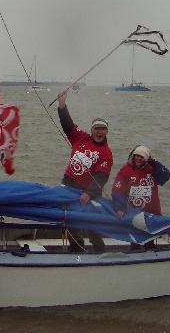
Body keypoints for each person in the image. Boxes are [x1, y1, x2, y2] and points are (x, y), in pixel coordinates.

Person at [56, 89, 113, 252]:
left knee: (91, 224)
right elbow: (68, 125)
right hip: (68, 184)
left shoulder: (107, 153)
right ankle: (77, 250)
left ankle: (100, 251)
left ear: (106, 132)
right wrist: (62, 105)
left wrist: (88, 193)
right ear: (92, 130)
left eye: (103, 129)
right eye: (97, 128)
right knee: (70, 221)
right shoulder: (81, 137)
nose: (100, 131)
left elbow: (101, 177)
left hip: (89, 192)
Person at [112, 145, 170, 249]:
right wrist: (120, 208)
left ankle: (152, 259)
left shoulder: (153, 169)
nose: (138, 158)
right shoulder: (125, 170)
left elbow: (165, 177)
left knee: (150, 242)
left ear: (146, 158)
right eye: (136, 156)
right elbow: (117, 190)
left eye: (142, 157)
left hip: (152, 213)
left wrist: (154, 163)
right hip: (134, 213)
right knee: (135, 241)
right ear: (133, 156)